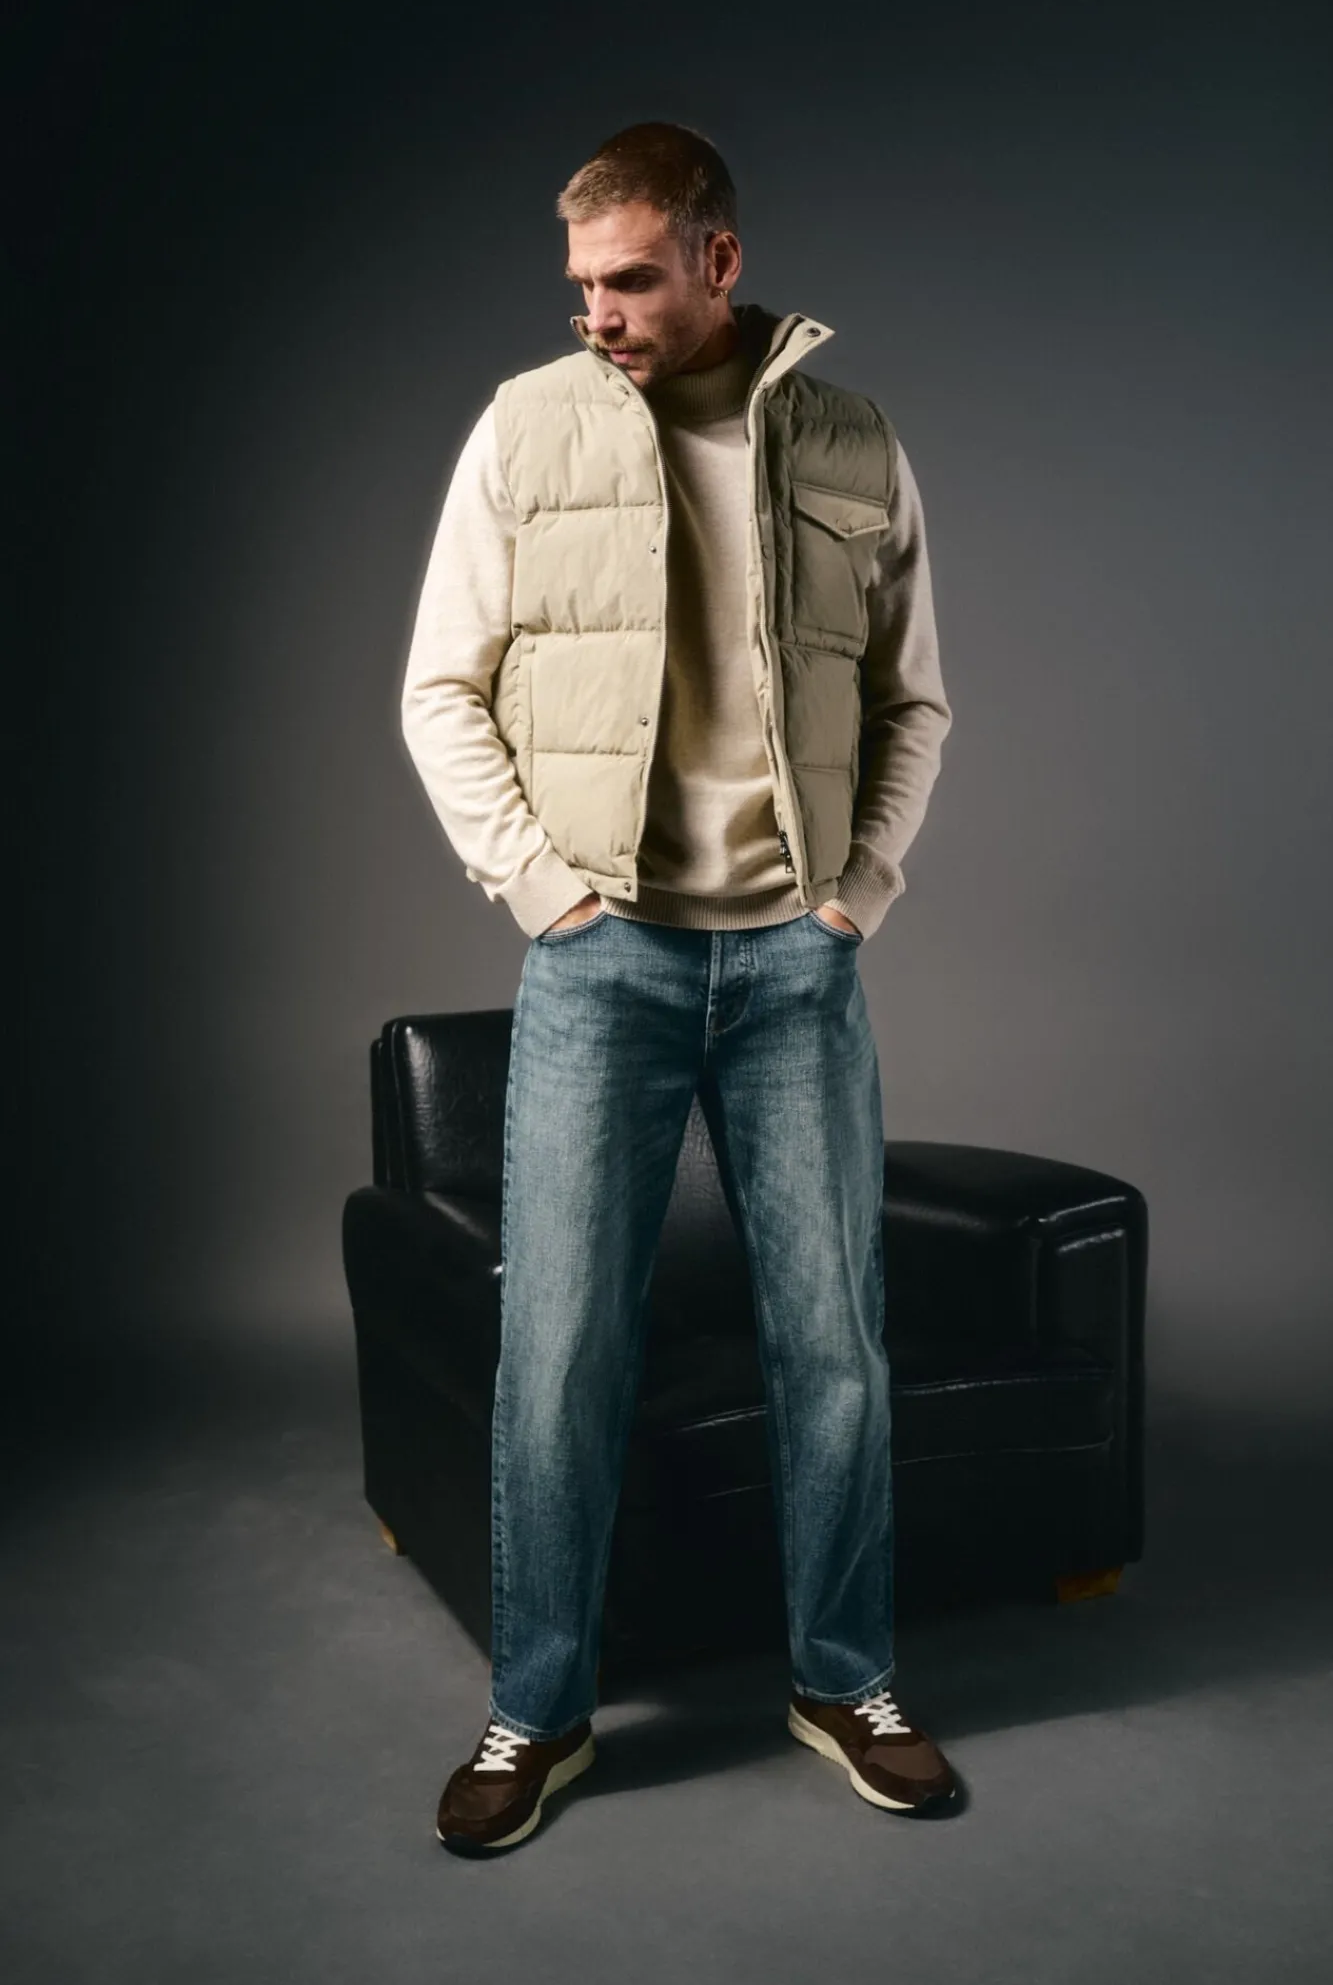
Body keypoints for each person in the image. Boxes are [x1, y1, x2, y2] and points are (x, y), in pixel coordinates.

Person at [400, 120, 956, 1855]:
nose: (599, 313)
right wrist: (547, 896)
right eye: (580, 284)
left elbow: (916, 699)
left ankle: (846, 1678)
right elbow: (439, 688)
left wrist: (856, 896)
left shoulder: (852, 439)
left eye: (631, 279)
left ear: (719, 260)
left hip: (796, 964)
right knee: (559, 1349)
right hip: (606, 961)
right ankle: (538, 1708)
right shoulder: (526, 426)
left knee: (836, 1343)